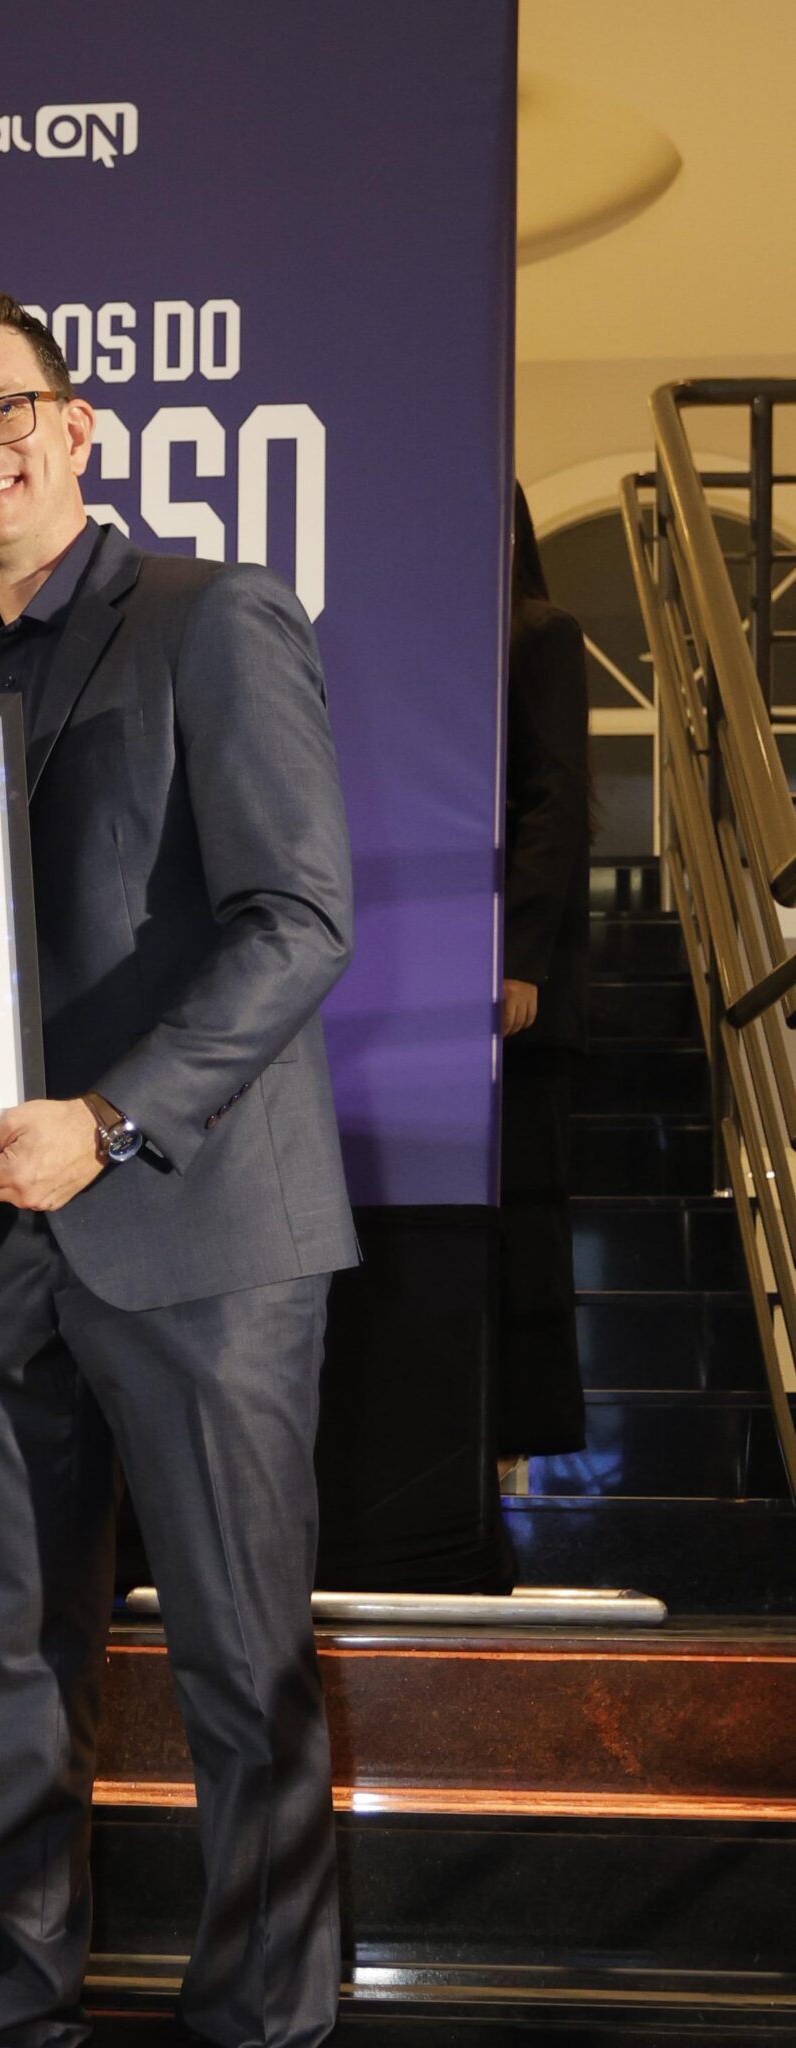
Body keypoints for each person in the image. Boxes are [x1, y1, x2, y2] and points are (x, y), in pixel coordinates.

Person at [0, 286, 357, 2048]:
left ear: (77, 429)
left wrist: (114, 1116)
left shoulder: (207, 617)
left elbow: (294, 916)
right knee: (4, 1681)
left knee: (242, 1671)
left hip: (200, 1229)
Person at [499, 484, 592, 1467]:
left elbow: (557, 800)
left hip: (521, 987)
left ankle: (523, 1441)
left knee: (526, 1212)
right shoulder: (436, 644)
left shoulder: (542, 632)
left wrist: (518, 955)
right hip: (455, 977)